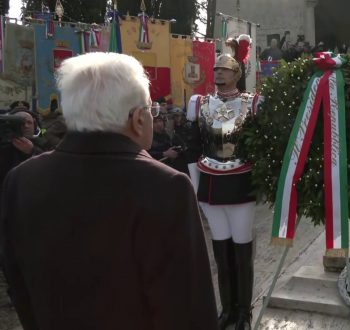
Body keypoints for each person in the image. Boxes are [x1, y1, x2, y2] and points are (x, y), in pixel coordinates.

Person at [0, 52, 218, 330]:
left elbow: (18, 286)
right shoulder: (166, 187)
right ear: (138, 118)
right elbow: (188, 309)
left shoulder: (21, 180)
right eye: (151, 111)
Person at [187, 49, 260, 330]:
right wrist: (194, 187)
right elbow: (193, 146)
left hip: (240, 180)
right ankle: (227, 309)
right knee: (221, 252)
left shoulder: (252, 103)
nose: (219, 73)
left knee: (242, 252)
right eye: (216, 69)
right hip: (210, 182)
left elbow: (261, 144)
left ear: (236, 74)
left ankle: (244, 312)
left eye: (225, 69)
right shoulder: (199, 103)